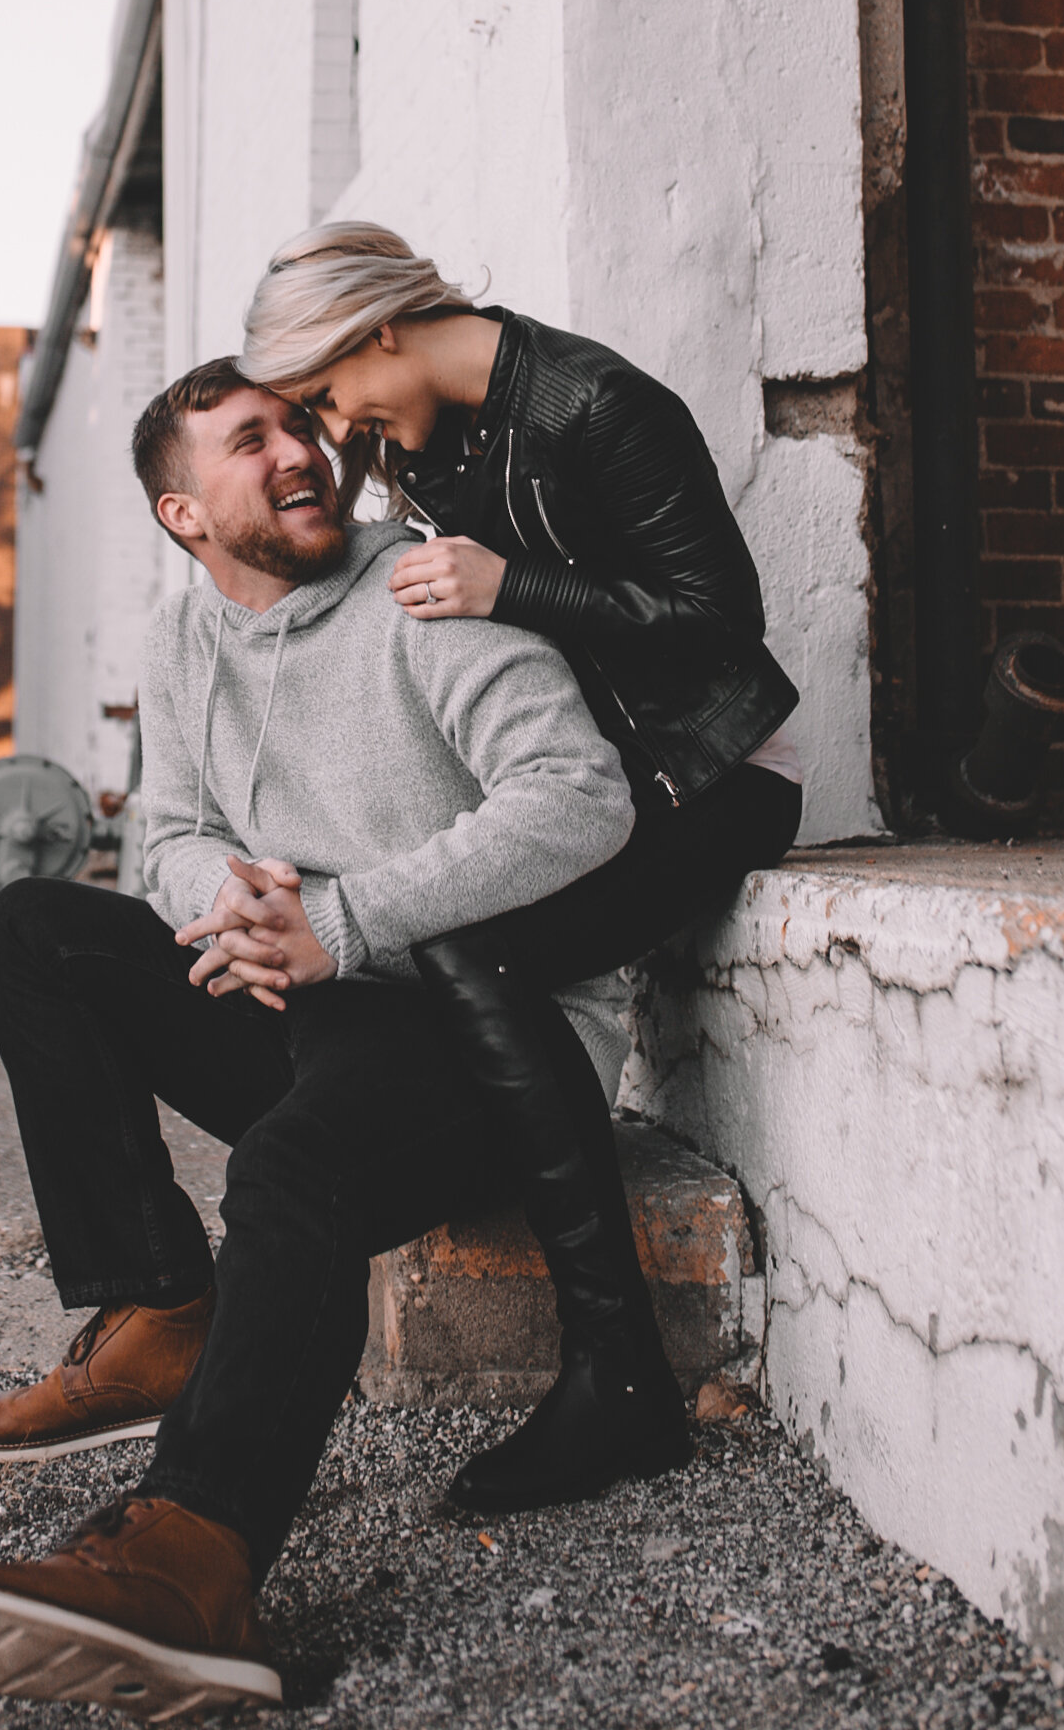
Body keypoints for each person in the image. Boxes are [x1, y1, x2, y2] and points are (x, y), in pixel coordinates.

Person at [0, 359, 661, 1718]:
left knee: (290, 1170)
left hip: (481, 1036)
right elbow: (165, 838)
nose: (298, 452)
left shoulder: (420, 594)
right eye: (251, 442)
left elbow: (581, 798)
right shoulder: (186, 636)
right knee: (28, 932)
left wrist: (346, 920)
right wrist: (242, 912)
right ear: (185, 514)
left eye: (299, 425)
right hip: (304, 984)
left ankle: (196, 1556)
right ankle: (160, 1312)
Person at [235, 222, 802, 1514]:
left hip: (719, 774)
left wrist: (515, 585)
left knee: (468, 939)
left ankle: (619, 1378)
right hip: (616, 786)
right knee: (449, 923)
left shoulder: (601, 408)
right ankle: (597, 1354)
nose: (330, 426)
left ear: (381, 330)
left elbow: (722, 624)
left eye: (327, 392)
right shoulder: (428, 439)